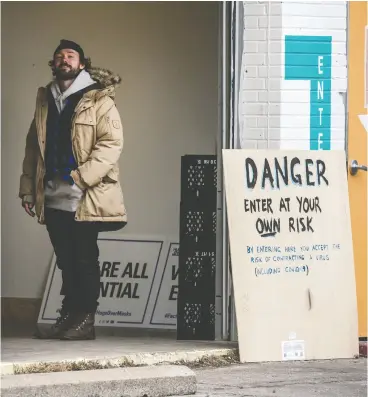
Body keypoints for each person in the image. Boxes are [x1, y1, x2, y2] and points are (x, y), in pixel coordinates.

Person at [19, 39, 127, 341]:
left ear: (81, 64)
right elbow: (33, 146)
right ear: (53, 64)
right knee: (66, 260)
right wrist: (28, 189)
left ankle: (86, 320)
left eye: (70, 55)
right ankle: (69, 315)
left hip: (84, 196)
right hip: (52, 193)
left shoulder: (99, 99)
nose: (64, 59)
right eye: (59, 56)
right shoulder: (45, 100)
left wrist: (82, 177)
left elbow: (111, 144)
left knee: (84, 259)